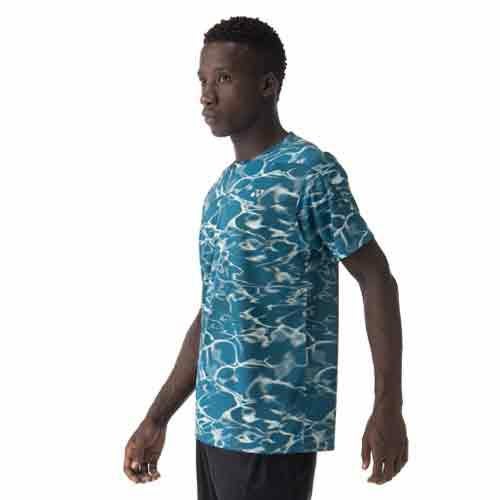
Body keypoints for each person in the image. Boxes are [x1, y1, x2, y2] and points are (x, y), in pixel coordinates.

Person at [124, 15, 408, 498]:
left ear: (268, 86)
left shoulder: (310, 173)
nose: (206, 95)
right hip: (214, 429)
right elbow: (215, 312)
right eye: (202, 80)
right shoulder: (220, 193)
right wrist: (157, 417)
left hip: (275, 434)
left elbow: (376, 278)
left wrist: (388, 405)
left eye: (224, 78)